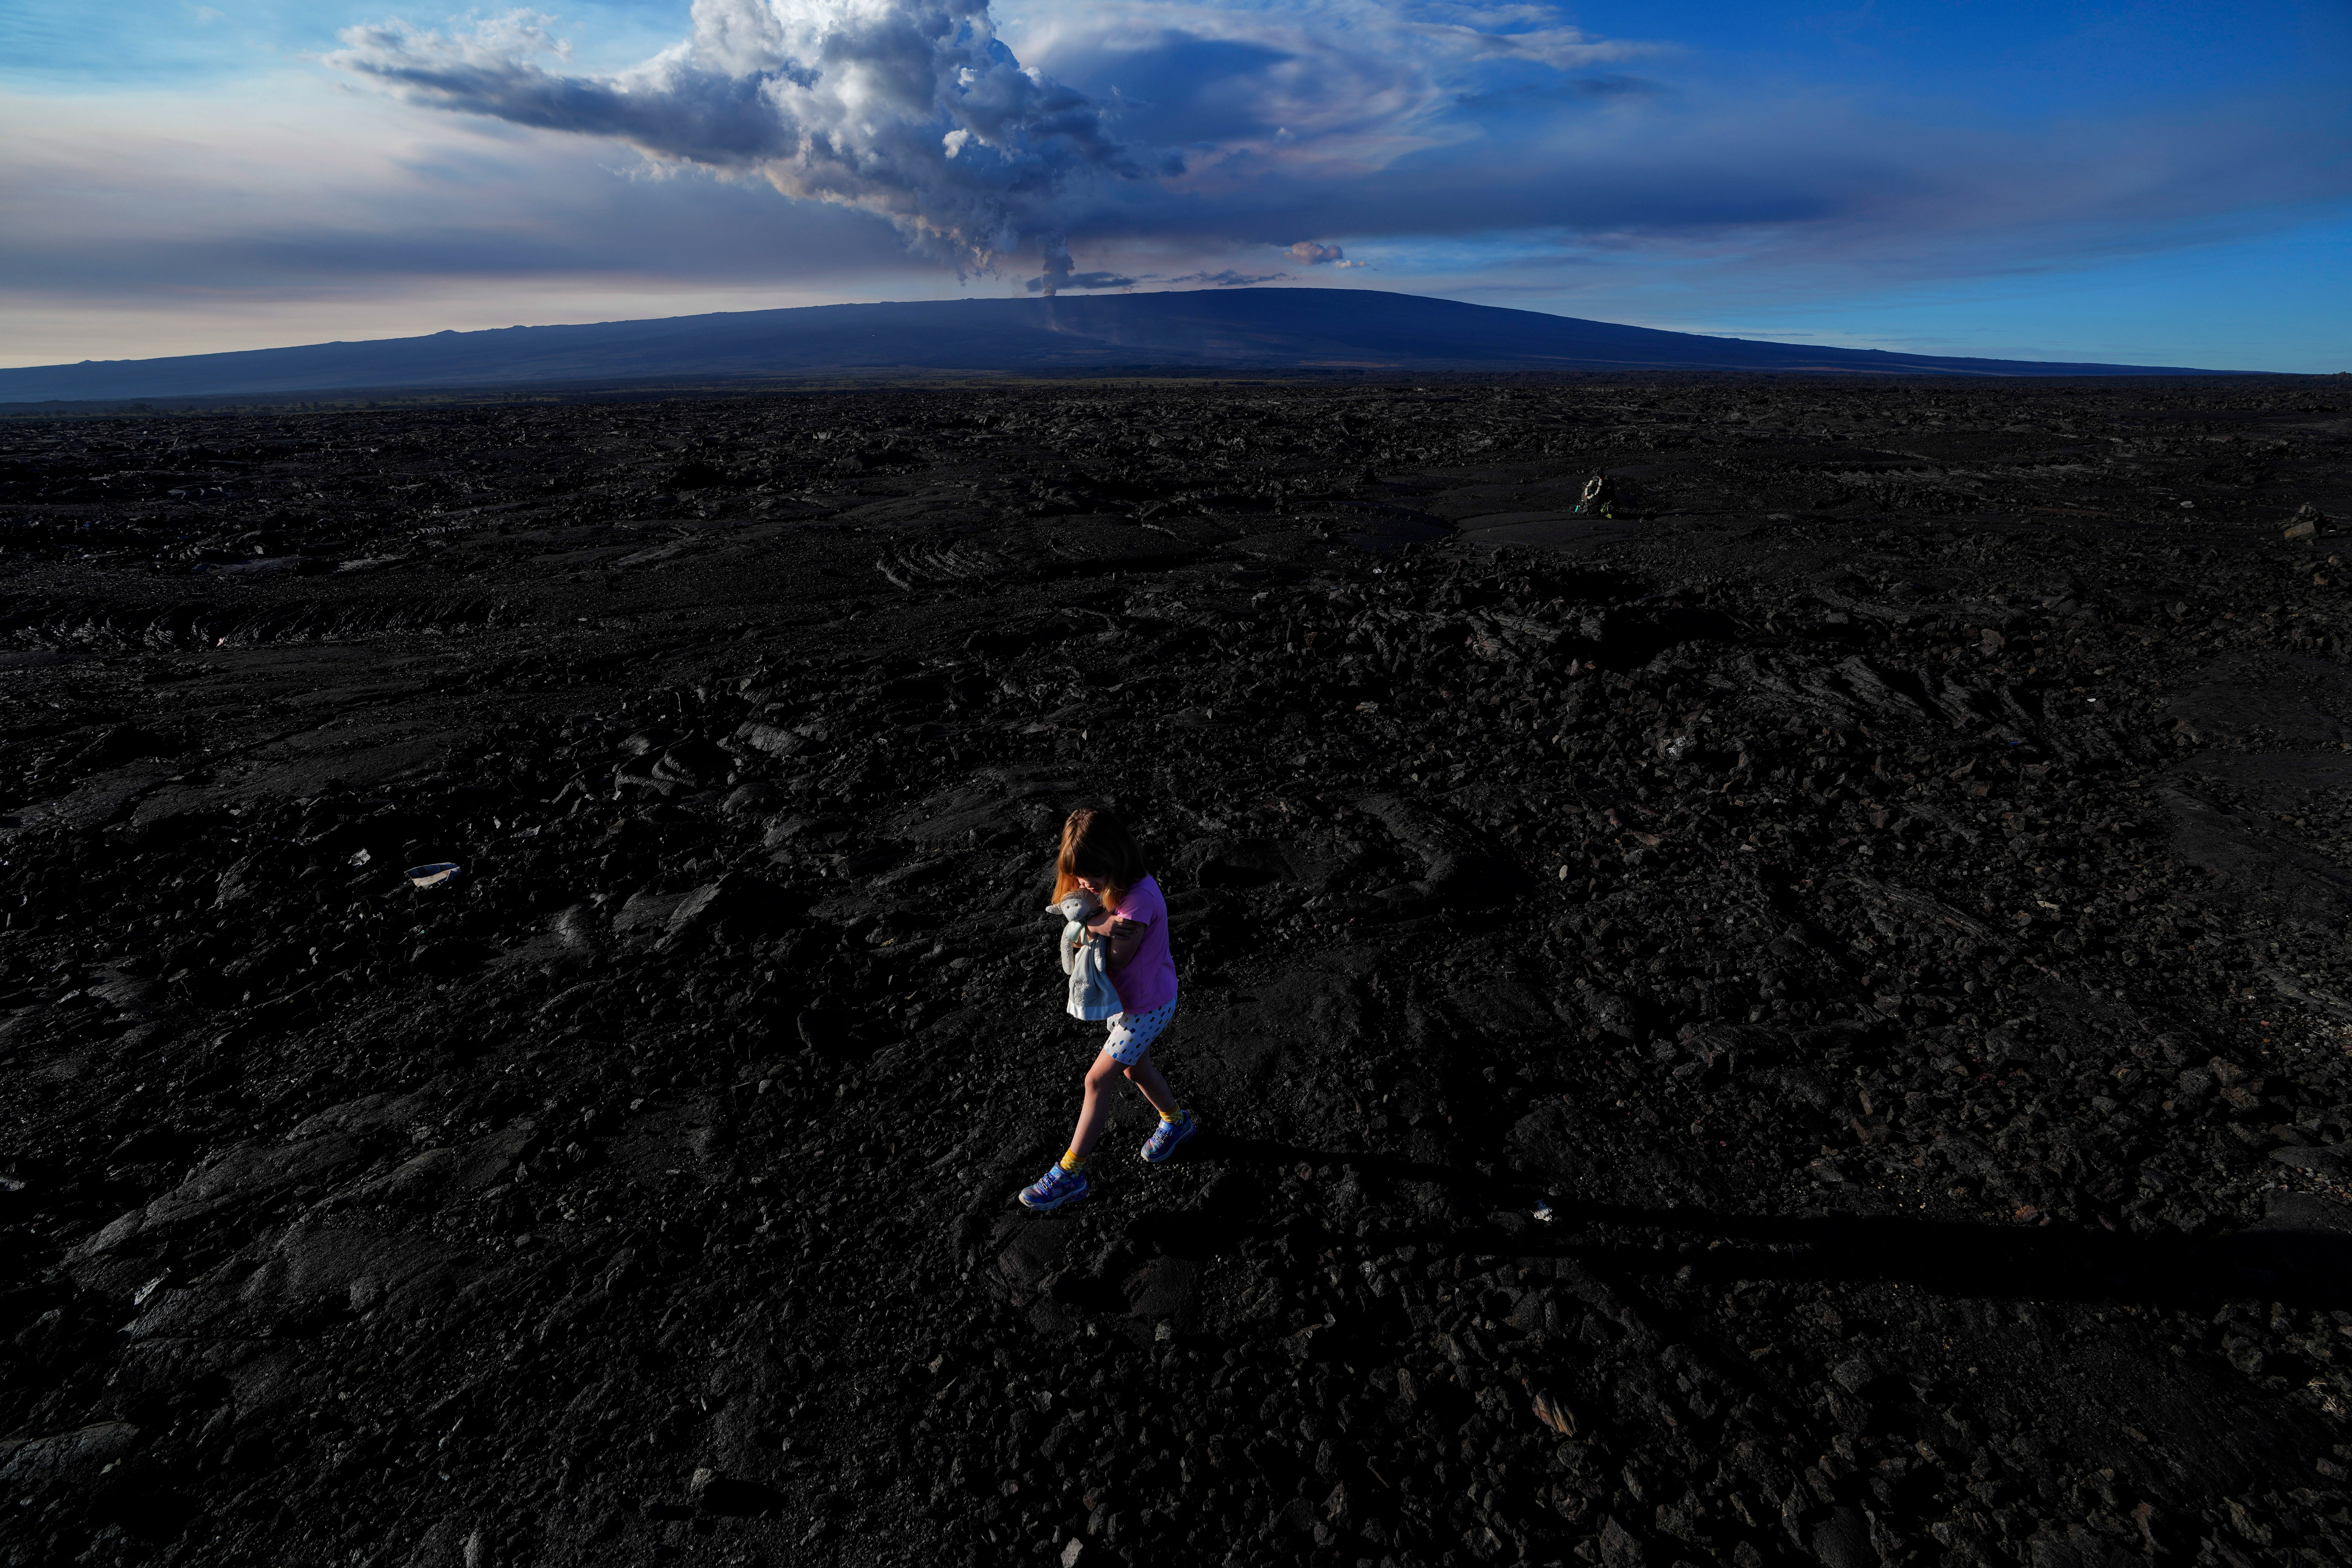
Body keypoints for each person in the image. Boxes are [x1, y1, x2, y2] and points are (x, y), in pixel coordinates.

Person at [1019, 807, 1193, 1211]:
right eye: (1080, 879)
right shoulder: (1108, 894)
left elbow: (1115, 957)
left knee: (1096, 1081)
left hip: (1148, 1008)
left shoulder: (1138, 902)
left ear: (1115, 859)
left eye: (1092, 877)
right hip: (1129, 1002)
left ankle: (1070, 1174)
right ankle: (1177, 1123)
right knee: (1137, 1069)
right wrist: (1095, 924)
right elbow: (1080, 921)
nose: (1085, 886)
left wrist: (1089, 925)